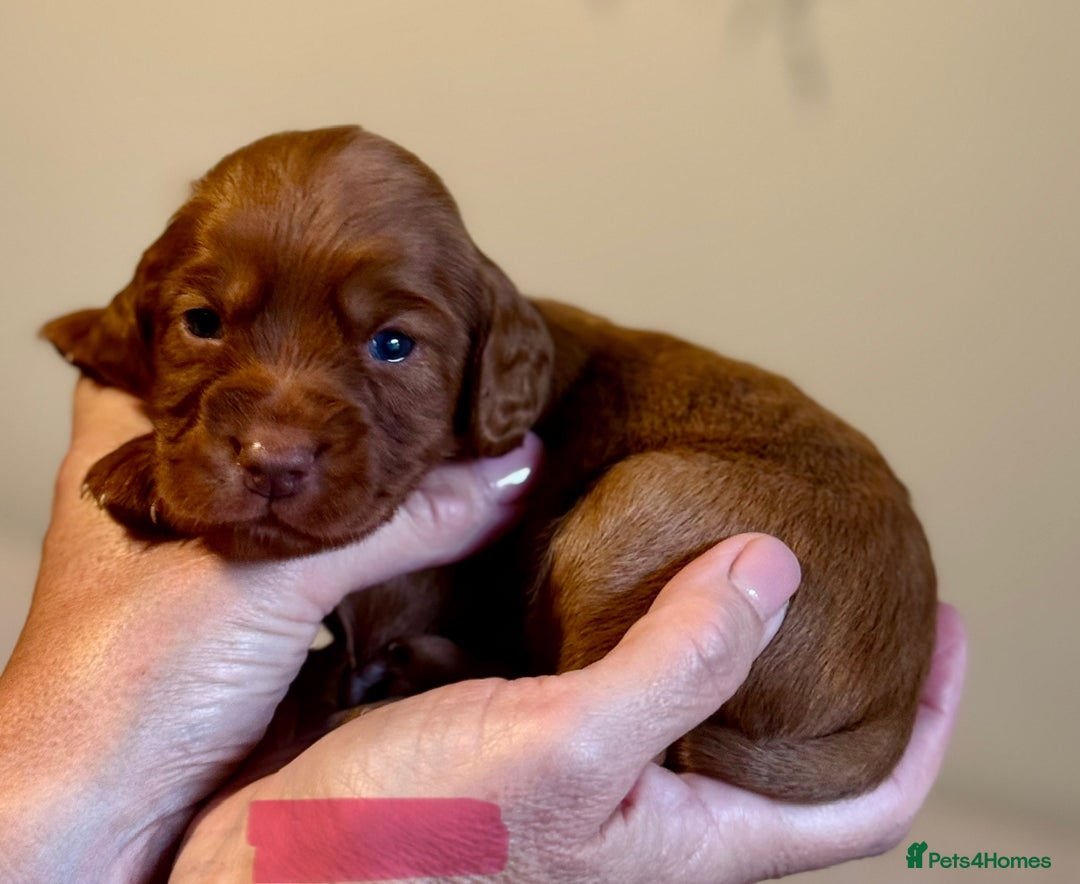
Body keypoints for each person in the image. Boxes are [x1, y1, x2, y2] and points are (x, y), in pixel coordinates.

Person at [0, 380, 966, 883]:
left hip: (796, 611)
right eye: (205, 325)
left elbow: (267, 854)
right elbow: (260, 854)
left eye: (389, 346)